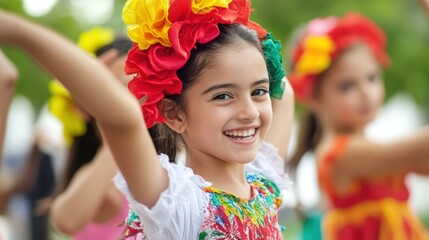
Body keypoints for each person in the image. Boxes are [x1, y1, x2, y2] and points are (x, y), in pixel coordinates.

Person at [0, 0, 294, 238]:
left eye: (258, 91)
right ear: (174, 114)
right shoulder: (182, 205)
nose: (250, 112)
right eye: (223, 96)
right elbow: (121, 119)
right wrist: (19, 32)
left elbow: (283, 90)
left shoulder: (266, 182)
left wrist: (225, 28)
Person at [287, 12, 429, 240]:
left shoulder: (367, 148)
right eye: (347, 86)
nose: (366, 93)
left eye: (372, 78)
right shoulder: (339, 155)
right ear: (312, 96)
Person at [49, 27, 133, 240]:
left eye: (137, 90)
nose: (127, 103)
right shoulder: (103, 176)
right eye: (112, 91)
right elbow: (66, 220)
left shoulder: (175, 168)